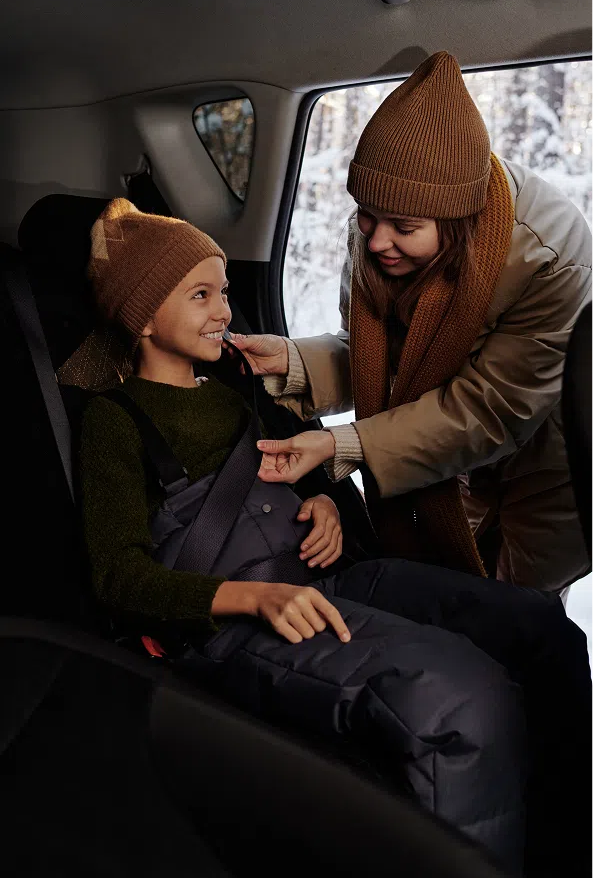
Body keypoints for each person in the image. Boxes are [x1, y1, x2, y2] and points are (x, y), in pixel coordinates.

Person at [64, 198, 593, 877]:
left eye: (224, 291)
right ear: (140, 315)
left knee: (540, 627)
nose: (224, 311)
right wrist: (248, 598)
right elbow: (117, 577)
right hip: (233, 623)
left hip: (327, 576)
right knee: (462, 702)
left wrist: (325, 510)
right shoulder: (114, 421)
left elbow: (288, 475)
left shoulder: (231, 388)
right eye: (200, 295)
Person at [231, 51, 593, 594]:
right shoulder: (384, 238)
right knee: (448, 589)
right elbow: (383, 362)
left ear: (459, 223)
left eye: (403, 226)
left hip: (547, 456)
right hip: (441, 451)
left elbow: (494, 408)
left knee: (519, 602)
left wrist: (343, 445)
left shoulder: (549, 254)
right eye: (366, 217)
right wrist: (294, 362)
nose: (376, 242)